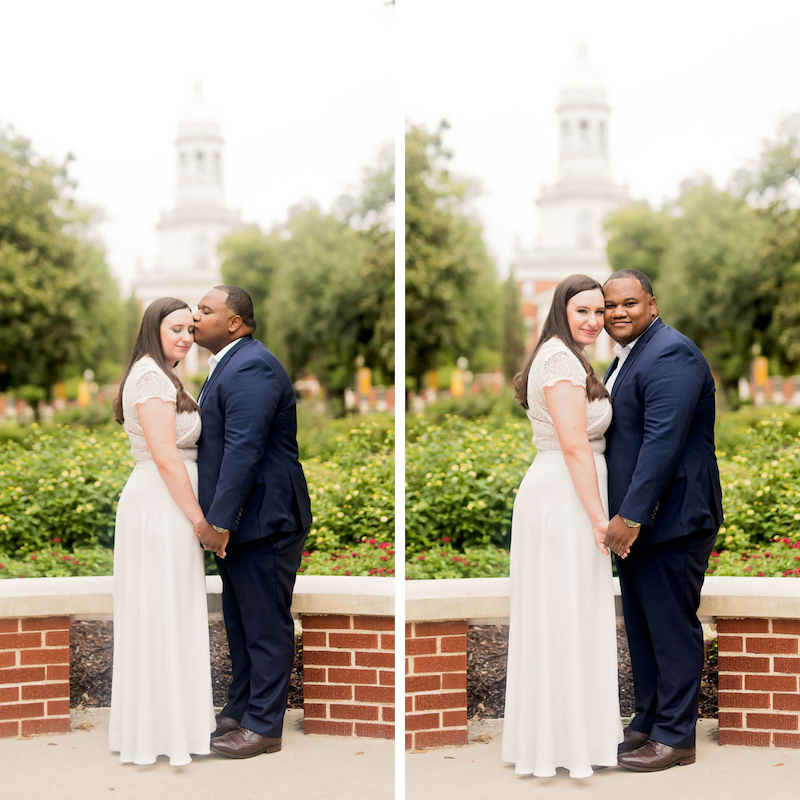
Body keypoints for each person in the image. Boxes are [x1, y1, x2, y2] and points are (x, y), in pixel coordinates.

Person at [501, 274, 623, 779]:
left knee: (567, 612)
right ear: (561, 312)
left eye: (600, 312)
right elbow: (575, 445)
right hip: (565, 498)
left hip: (567, 492)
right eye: (583, 312)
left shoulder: (566, 354)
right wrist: (601, 521)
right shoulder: (557, 358)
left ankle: (570, 738)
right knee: (564, 611)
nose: (594, 321)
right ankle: (564, 745)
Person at [602, 269, 723, 772]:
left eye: (629, 302)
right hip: (642, 523)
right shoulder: (630, 356)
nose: (617, 313)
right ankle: (647, 723)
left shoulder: (670, 352)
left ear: (651, 304)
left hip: (669, 517)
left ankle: (676, 738)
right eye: (610, 306)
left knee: (670, 629)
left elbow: (663, 443)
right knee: (645, 627)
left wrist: (630, 515)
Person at [191, 285, 312, 759]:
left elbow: (245, 448)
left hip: (265, 517)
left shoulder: (253, 366)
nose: (196, 317)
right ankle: (240, 708)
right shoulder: (228, 364)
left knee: (264, 624)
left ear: (235, 321)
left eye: (206, 310)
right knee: (240, 623)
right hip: (246, 521)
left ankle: (265, 727)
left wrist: (220, 520)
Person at [109, 297, 215, 766]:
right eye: (176, 328)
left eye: (191, 329)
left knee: (169, 608)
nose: (186, 337)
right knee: (162, 608)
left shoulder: (163, 373)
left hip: (167, 502)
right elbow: (168, 457)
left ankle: (171, 725)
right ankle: (160, 732)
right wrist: (200, 521)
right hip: (162, 506)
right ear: (154, 328)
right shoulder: (151, 376)